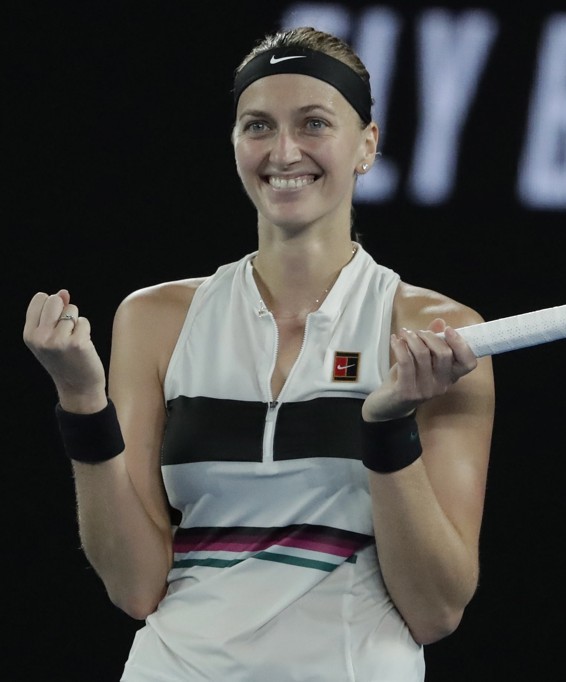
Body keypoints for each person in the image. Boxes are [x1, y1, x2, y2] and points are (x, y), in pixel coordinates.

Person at [22, 26, 495, 681]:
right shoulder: (154, 320)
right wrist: (81, 402)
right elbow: (134, 586)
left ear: (366, 145)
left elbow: (435, 609)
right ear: (236, 143)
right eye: (259, 126)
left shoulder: (438, 330)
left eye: (313, 123)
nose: (284, 150)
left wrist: (387, 429)